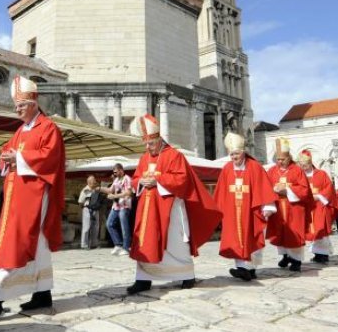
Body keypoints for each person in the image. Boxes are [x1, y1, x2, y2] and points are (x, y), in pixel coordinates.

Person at [0, 76, 66, 321]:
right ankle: (43, 294)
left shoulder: (48, 128)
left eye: (20, 105)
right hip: (16, 195)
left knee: (19, 242)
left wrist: (19, 159)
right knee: (38, 242)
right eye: (16, 105)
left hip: (34, 195)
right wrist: (9, 158)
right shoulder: (21, 130)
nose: (17, 109)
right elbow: (5, 153)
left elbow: (50, 157)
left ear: (33, 102)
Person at [125, 114, 221, 294]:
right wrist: (140, 182)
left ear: (159, 140)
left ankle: (186, 275)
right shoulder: (144, 158)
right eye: (145, 144)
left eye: (151, 144)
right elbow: (136, 178)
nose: (148, 148)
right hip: (147, 208)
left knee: (174, 242)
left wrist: (157, 180)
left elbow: (182, 179)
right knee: (145, 241)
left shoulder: (174, 155)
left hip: (170, 208)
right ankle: (143, 279)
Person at [214, 132, 277, 282]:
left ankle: (249, 269)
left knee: (251, 237)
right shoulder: (227, 169)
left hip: (251, 211)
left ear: (243, 152)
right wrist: (218, 210)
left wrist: (268, 206)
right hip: (232, 212)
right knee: (235, 239)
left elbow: (264, 187)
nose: (233, 157)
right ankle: (243, 268)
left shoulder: (255, 167)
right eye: (231, 155)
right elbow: (221, 191)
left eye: (236, 154)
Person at [266, 138, 313, 272]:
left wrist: (287, 190)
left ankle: (296, 260)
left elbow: (304, 189)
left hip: (294, 207)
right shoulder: (271, 171)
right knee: (280, 232)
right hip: (279, 207)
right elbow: (266, 186)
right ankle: (285, 255)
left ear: (289, 157)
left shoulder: (297, 170)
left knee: (294, 232)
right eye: (278, 159)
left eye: (283, 159)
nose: (280, 161)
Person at [298, 149, 336, 264]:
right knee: (311, 231)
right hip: (307, 207)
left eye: (306, 165)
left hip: (319, 206)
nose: (304, 168)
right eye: (302, 165)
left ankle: (323, 254)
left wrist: (319, 196)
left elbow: (329, 188)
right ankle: (317, 253)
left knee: (320, 229)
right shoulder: (299, 176)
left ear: (310, 163)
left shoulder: (321, 174)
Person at [105, 163, 133, 255]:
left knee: (124, 227)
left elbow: (128, 193)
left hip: (124, 206)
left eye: (116, 172)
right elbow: (110, 190)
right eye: (114, 172)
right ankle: (118, 245)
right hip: (116, 206)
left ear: (121, 170)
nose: (115, 173)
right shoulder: (116, 179)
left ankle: (126, 247)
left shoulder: (127, 179)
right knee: (109, 224)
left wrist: (115, 196)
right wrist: (98, 188)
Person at [78, 175, 102, 250]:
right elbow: (80, 202)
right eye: (93, 180)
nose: (95, 182)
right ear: (89, 182)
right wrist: (86, 208)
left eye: (94, 180)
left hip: (95, 209)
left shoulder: (96, 189)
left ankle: (94, 244)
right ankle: (84, 244)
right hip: (87, 209)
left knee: (95, 227)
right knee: (86, 226)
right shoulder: (85, 190)